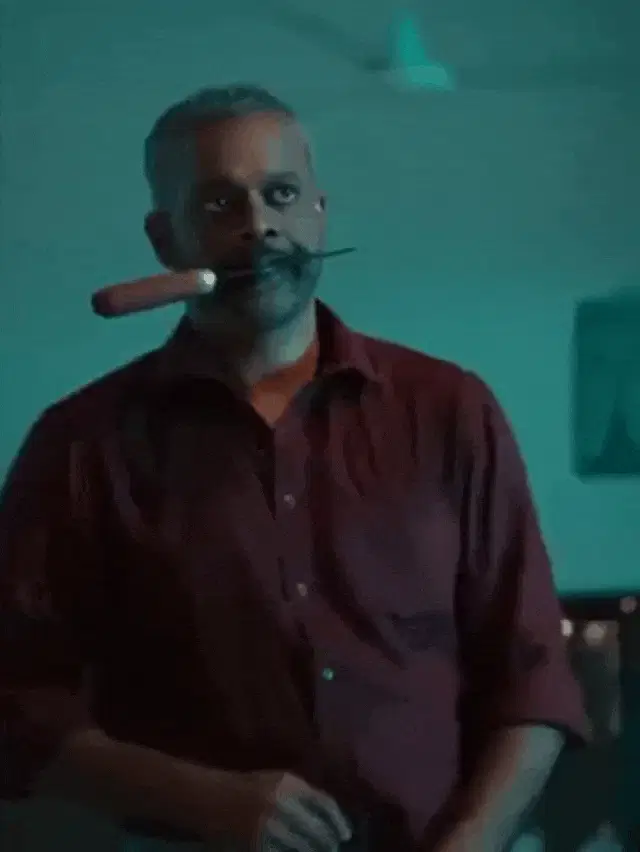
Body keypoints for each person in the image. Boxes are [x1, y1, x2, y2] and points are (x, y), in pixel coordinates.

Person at [0, 84, 588, 852]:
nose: (258, 227)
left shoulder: (451, 410)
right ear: (163, 239)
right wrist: (199, 800)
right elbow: (14, 703)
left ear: (318, 212)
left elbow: (533, 679)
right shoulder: (79, 443)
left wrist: (468, 845)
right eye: (219, 204)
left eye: (280, 194)